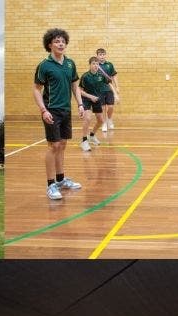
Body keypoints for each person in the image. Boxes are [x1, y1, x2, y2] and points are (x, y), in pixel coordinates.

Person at [33, 28, 85, 201]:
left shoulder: (70, 64)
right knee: (53, 147)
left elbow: (75, 86)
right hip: (51, 110)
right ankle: (50, 185)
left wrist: (80, 104)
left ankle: (61, 180)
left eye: (63, 41)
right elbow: (36, 89)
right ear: (49, 45)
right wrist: (43, 110)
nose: (60, 43)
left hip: (66, 110)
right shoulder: (44, 65)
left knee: (62, 145)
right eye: (56, 41)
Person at [78, 57, 113, 151]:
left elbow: (109, 81)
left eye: (97, 64)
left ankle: (92, 135)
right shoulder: (85, 76)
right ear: (89, 65)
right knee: (88, 118)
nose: (95, 66)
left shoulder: (101, 75)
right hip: (86, 99)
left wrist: (109, 78)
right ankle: (84, 141)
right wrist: (90, 97)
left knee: (101, 121)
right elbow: (80, 91)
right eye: (93, 64)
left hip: (97, 99)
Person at [95, 48, 119, 131]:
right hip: (99, 90)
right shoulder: (95, 65)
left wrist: (117, 86)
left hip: (109, 89)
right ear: (97, 56)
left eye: (103, 54)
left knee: (111, 107)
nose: (102, 56)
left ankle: (109, 119)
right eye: (100, 55)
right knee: (102, 108)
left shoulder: (109, 65)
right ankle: (104, 123)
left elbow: (114, 75)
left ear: (105, 55)